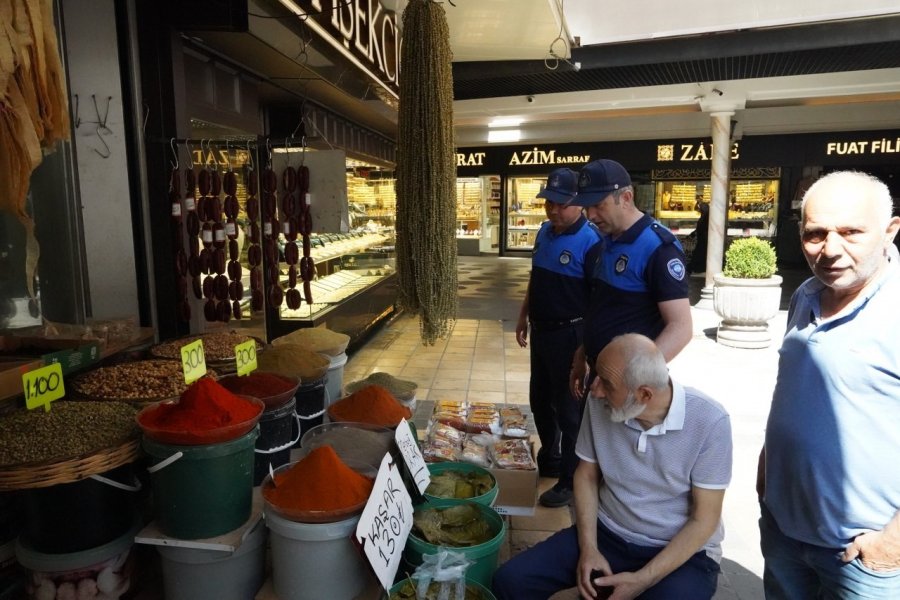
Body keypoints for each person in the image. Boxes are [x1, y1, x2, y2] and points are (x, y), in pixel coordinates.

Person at [493, 333, 732, 600]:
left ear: (644, 394)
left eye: (607, 383)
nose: (595, 389)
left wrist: (643, 579)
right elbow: (586, 474)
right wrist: (589, 548)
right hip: (607, 533)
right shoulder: (600, 402)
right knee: (510, 581)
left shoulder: (709, 421)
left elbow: (704, 519)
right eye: (596, 375)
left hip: (681, 552)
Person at [757, 170, 900, 598]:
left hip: (862, 553)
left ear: (890, 231)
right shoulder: (806, 295)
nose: (830, 250)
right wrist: (767, 468)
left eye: (851, 232)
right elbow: (794, 389)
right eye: (815, 234)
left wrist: (892, 541)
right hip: (784, 531)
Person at [567, 159, 692, 401]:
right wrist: (583, 352)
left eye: (598, 205)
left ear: (625, 198)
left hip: (627, 389)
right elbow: (603, 307)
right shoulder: (607, 240)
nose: (591, 215)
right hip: (600, 377)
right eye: (586, 207)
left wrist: (628, 380)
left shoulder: (658, 248)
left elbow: (681, 328)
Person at [515, 167, 602, 508]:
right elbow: (535, 278)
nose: (553, 210)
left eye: (560, 204)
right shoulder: (543, 233)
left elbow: (597, 300)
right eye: (548, 203)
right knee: (540, 400)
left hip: (571, 335)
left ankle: (569, 479)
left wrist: (585, 349)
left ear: (579, 203)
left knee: (569, 410)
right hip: (542, 332)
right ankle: (550, 458)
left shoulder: (592, 242)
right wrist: (524, 315)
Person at [688, 198, 709, 276]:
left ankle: (694, 268)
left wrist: (693, 234)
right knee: (699, 254)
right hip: (702, 239)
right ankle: (696, 268)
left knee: (698, 254)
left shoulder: (705, 219)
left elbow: (701, 228)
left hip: (703, 239)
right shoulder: (705, 217)